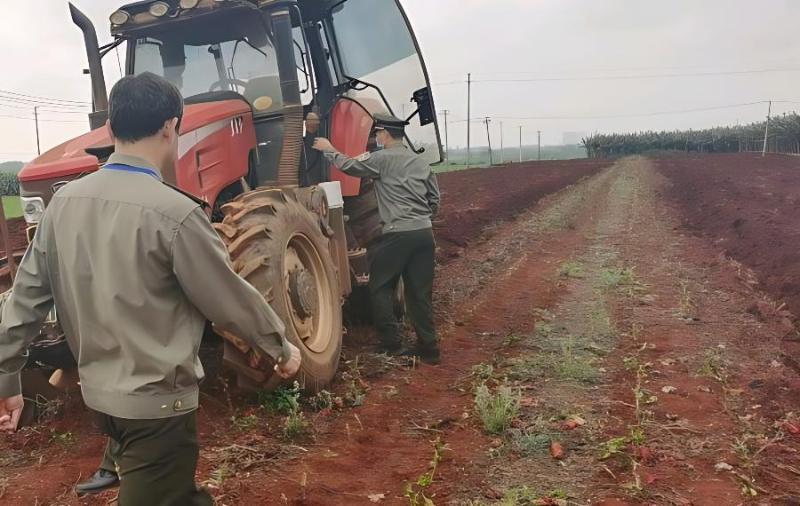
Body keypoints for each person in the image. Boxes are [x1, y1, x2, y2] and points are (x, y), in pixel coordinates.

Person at [0, 72, 301, 504]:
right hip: (157, 408)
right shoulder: (174, 212)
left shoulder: (62, 205)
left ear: (113, 129)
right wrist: (280, 346)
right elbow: (228, 298)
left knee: (174, 493)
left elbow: (24, 301)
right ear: (170, 127)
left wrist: (6, 379)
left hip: (102, 401)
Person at [313, 113, 441, 364]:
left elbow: (350, 167)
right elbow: (434, 200)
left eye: (378, 134)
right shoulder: (421, 163)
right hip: (425, 234)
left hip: (397, 235)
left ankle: (391, 343)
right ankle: (430, 349)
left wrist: (329, 149)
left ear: (384, 135)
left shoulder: (381, 159)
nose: (377, 138)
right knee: (419, 292)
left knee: (380, 285)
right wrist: (422, 220)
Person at [300, 111, 328, 187]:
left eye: (314, 123)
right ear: (305, 124)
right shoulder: (302, 143)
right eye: (309, 123)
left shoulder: (321, 139)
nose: (311, 125)